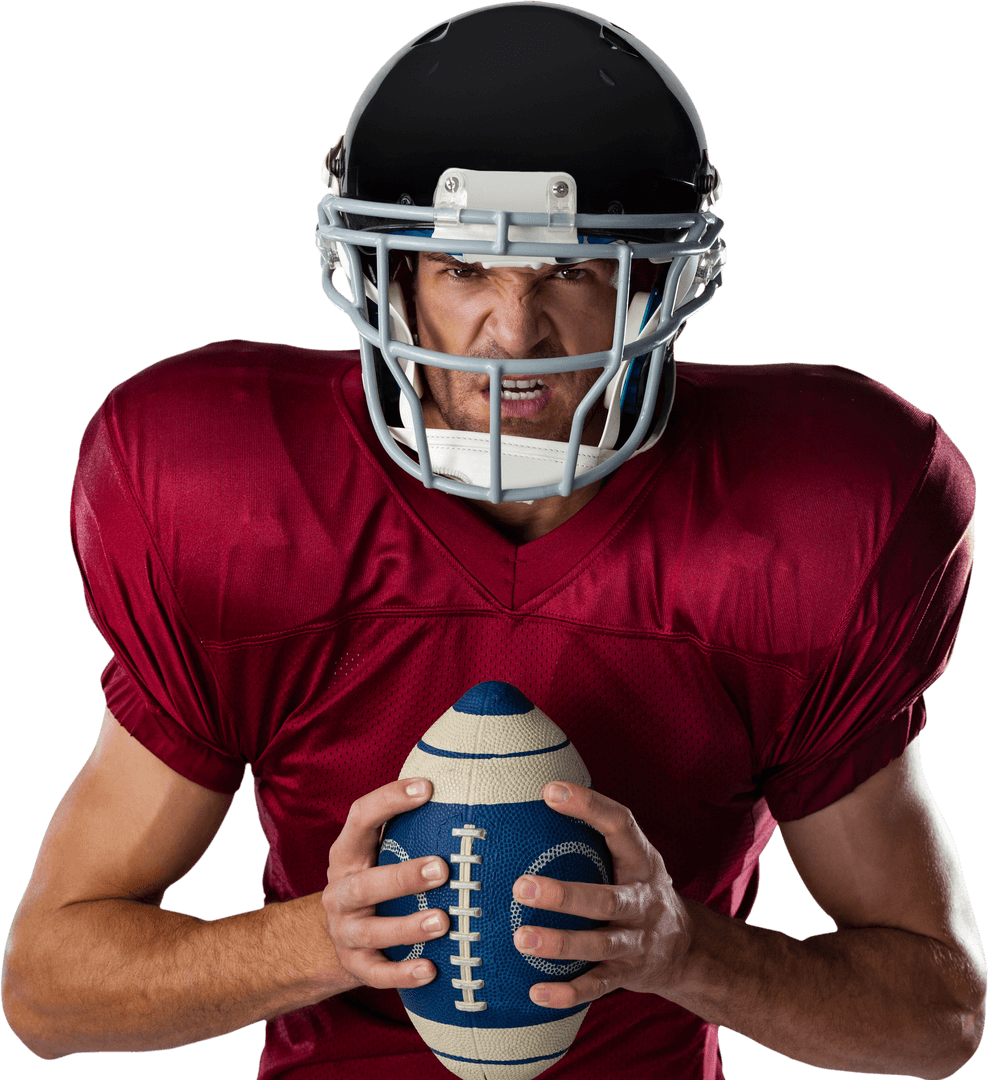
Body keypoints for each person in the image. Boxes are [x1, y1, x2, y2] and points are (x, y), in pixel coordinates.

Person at [2, 4, 985, 1078]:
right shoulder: (239, 499)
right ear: (392, 282)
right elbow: (50, 991)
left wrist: (684, 951)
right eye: (464, 270)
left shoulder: (807, 520)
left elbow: (936, 1018)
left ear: (654, 285)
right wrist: (318, 940)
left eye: (570, 271)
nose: (514, 335)